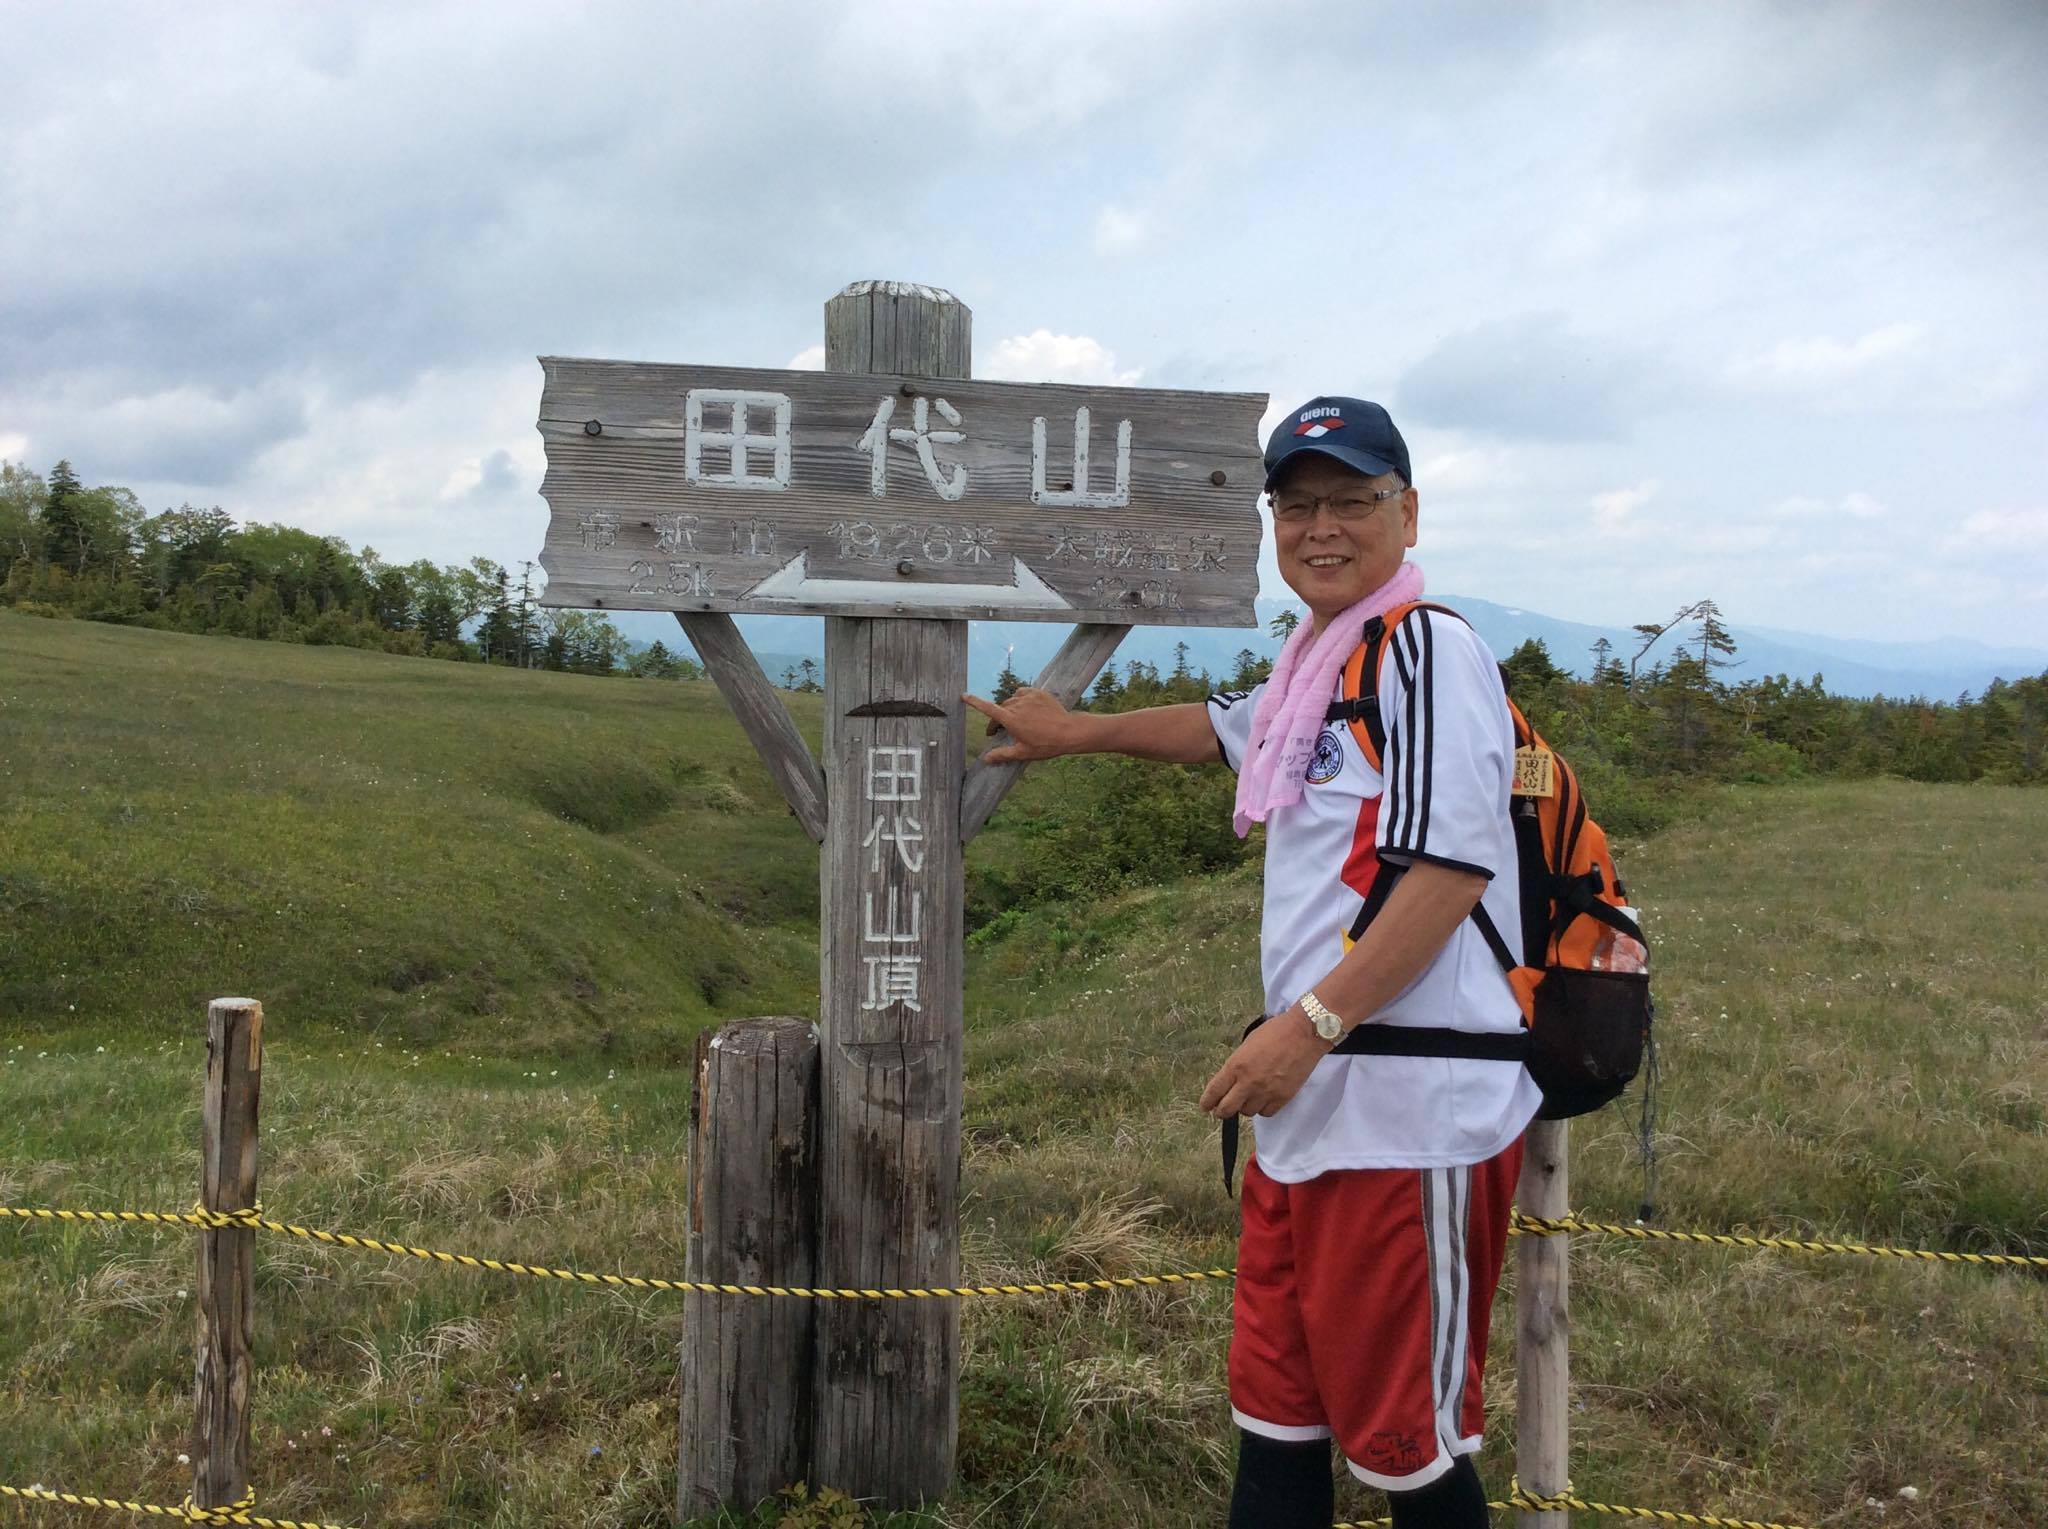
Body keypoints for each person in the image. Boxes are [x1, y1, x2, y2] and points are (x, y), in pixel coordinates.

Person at [962, 397, 1538, 1528]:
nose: (1321, 527)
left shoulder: (1428, 652)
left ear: (1406, 511)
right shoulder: (1324, 659)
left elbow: (1447, 875)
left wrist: (1306, 1025)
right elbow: (1225, 727)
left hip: (1405, 1111)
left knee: (1406, 1450)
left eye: (1352, 501)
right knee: (1276, 1419)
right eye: (1298, 504)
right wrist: (1071, 732)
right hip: (1311, 1111)